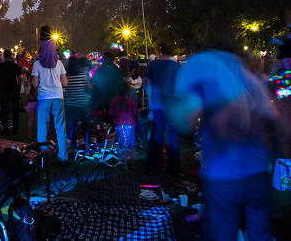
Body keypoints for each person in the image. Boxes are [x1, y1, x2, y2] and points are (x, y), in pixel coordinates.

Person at [170, 46, 283, 241]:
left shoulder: (209, 81)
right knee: (260, 231)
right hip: (257, 172)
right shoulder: (253, 82)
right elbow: (274, 117)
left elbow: (187, 120)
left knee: (223, 231)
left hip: (222, 176)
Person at [31, 26, 68, 161]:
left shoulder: (37, 64)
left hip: (43, 98)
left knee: (42, 128)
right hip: (58, 97)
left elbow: (35, 84)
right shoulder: (59, 64)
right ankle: (63, 156)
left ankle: (44, 156)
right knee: (60, 127)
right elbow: (65, 83)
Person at [145, 42, 181, 175]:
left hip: (158, 106)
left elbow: (148, 84)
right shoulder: (175, 66)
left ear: (160, 51)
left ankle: (152, 166)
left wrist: (150, 103)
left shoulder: (153, 65)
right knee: (172, 136)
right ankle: (174, 168)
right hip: (172, 106)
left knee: (157, 135)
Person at [64, 55, 92, 151]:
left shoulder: (66, 76)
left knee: (73, 127)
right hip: (83, 104)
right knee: (86, 126)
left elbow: (64, 89)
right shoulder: (83, 74)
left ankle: (73, 146)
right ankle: (88, 144)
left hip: (71, 105)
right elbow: (89, 87)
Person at [109, 80, 137, 165]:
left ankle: (124, 161)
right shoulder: (130, 101)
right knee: (131, 143)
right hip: (130, 125)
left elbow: (110, 112)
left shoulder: (114, 100)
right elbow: (135, 112)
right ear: (128, 90)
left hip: (119, 125)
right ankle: (132, 161)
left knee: (122, 143)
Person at [0, 49, 21, 134]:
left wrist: (0, 88)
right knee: (15, 111)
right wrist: (18, 88)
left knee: (4, 111)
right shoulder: (15, 66)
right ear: (11, 56)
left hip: (4, 90)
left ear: (4, 56)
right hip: (14, 89)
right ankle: (15, 129)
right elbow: (19, 79)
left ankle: (5, 129)